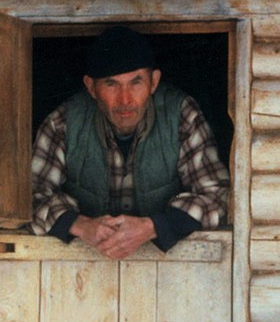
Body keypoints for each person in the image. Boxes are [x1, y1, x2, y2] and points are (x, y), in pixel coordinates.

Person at [31, 26, 229, 259]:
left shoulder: (181, 116)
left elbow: (217, 196)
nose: (125, 100)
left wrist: (152, 227)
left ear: (154, 82)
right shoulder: (63, 123)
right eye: (111, 84)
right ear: (91, 87)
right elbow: (30, 198)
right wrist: (81, 225)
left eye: (136, 82)